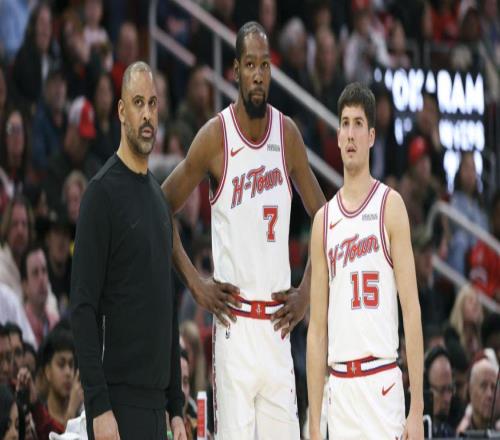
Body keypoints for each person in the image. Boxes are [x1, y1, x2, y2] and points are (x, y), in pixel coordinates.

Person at [161, 21, 325, 439]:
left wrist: (307, 292)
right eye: (250, 64)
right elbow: (160, 206)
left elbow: (325, 218)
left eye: (264, 65)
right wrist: (196, 285)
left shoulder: (287, 135)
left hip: (278, 329)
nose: (257, 74)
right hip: (234, 327)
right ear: (235, 70)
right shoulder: (215, 137)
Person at [70, 61, 186, 440]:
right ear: (121, 111)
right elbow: (82, 307)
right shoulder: (100, 195)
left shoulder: (159, 200)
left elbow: (167, 310)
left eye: (152, 103)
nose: (147, 114)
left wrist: (176, 407)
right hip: (115, 407)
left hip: (156, 409)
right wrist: (98, 405)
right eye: (138, 103)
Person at [307, 82, 424, 439]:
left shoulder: (391, 206)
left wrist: (417, 407)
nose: (350, 133)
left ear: (371, 136)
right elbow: (317, 330)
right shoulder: (323, 221)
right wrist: (315, 423)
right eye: (344, 123)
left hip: (381, 383)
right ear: (337, 136)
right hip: (340, 389)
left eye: (359, 124)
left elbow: (411, 310)